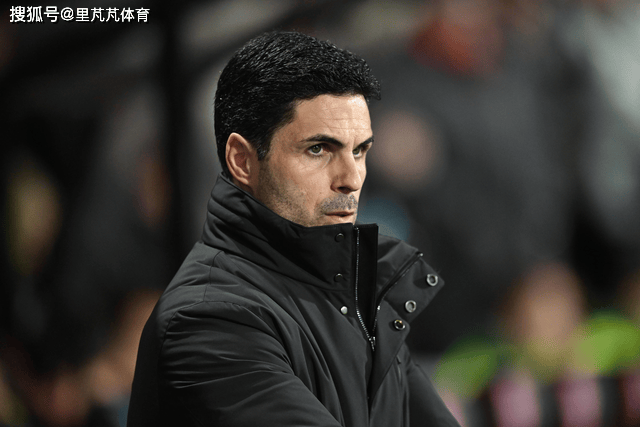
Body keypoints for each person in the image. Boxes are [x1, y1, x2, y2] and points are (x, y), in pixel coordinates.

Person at [127, 30, 460, 427]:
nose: (351, 179)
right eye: (318, 149)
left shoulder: (357, 302)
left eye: (359, 151)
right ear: (242, 160)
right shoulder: (207, 320)